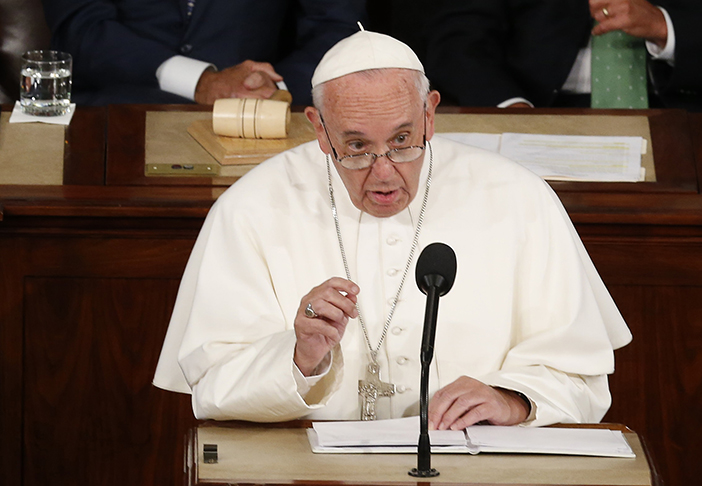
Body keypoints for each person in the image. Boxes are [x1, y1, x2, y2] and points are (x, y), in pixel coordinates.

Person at [153, 28, 632, 429]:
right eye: (356, 146)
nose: (383, 172)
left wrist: (513, 399)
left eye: (403, 141)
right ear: (319, 129)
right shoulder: (250, 208)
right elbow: (212, 386)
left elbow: (580, 375)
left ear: (430, 114)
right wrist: (298, 358)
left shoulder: (518, 197)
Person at [426, 0, 702, 112]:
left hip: (687, 119)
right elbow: (457, 40)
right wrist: (510, 108)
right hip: (536, 113)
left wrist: (665, 27)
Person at [40, 0, 366, 106]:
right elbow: (80, 28)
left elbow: (336, 29)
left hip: (258, 126)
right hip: (113, 117)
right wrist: (201, 82)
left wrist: (272, 90)